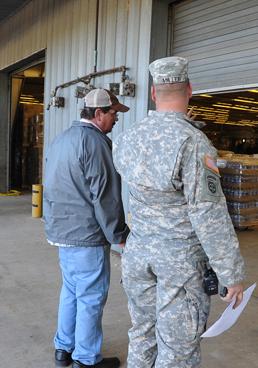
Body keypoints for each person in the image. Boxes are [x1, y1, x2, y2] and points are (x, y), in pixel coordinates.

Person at [113, 56, 246, 368]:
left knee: (142, 335)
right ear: (189, 90)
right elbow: (208, 213)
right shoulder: (194, 142)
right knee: (177, 350)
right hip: (178, 262)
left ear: (153, 93)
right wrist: (232, 274)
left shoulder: (127, 138)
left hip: (137, 254)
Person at [43, 88, 130, 368]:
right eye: (114, 113)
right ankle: (86, 359)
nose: (116, 119)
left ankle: (63, 350)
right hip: (86, 236)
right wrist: (120, 236)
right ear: (98, 114)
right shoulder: (96, 142)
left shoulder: (61, 140)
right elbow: (106, 196)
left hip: (62, 233)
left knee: (70, 291)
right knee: (91, 297)